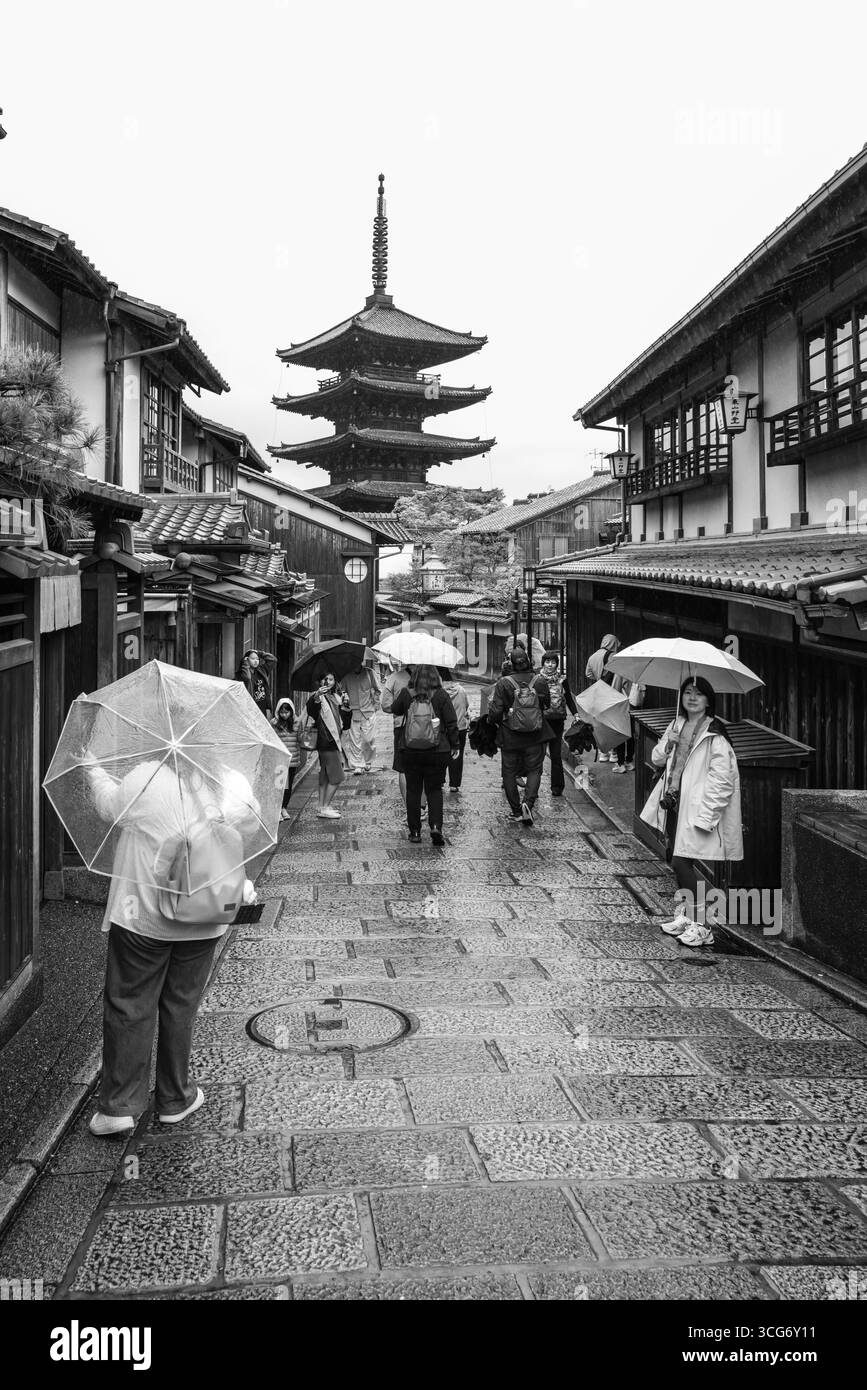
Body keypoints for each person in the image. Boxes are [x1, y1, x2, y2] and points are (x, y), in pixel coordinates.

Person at [84, 759, 260, 1136]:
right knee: (181, 1004)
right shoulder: (228, 778)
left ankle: (119, 1105)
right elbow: (248, 820)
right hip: (203, 914)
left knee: (130, 1002)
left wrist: (94, 770)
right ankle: (175, 1098)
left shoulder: (144, 778)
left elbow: (109, 807)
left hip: (142, 915)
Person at [640, 676, 743, 948]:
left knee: (681, 863)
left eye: (698, 694)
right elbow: (657, 759)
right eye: (687, 692)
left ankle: (703, 925)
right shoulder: (677, 723)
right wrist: (668, 743)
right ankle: (687, 915)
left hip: (696, 809)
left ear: (709, 700)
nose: (692, 698)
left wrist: (707, 817)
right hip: (675, 803)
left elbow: (722, 780)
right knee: (674, 857)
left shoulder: (715, 735)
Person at [390, 664, 459, 844]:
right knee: (434, 790)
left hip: (411, 750)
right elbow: (452, 722)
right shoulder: (441, 694)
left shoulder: (407, 693)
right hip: (438, 750)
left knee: (413, 791)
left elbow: (395, 709)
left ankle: (415, 832)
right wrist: (455, 745)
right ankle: (436, 827)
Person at [487, 645, 553, 826]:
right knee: (534, 770)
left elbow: (495, 711)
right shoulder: (539, 681)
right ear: (528, 662)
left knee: (509, 772)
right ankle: (528, 804)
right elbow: (546, 704)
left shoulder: (504, 683)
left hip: (510, 735)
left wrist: (494, 720)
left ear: (511, 664)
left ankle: (516, 811)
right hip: (535, 734)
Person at [306, 672, 350, 818]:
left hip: (334, 741)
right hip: (327, 741)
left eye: (331, 679)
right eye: (325, 679)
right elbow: (311, 710)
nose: (329, 682)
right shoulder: (317, 697)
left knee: (324, 777)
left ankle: (322, 806)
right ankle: (325, 807)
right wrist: (317, 695)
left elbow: (345, 724)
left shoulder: (336, 697)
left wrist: (346, 706)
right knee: (337, 777)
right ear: (320, 682)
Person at [539, 651, 577, 796]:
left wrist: (576, 714)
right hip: (542, 721)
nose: (550, 665)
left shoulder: (562, 679)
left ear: (557, 664)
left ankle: (557, 787)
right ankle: (533, 784)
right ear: (543, 663)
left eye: (553, 662)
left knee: (555, 754)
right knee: (538, 754)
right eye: (547, 662)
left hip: (557, 721)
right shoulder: (537, 679)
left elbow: (568, 697)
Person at [380, 662, 415, 804]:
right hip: (426, 728)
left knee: (403, 768)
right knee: (423, 768)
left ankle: (409, 807)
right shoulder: (430, 677)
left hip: (401, 726)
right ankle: (421, 807)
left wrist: (399, 708)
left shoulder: (393, 678)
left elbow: (386, 706)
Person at [341, 660, 381, 774]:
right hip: (353, 712)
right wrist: (344, 696)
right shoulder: (347, 676)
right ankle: (357, 765)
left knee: (369, 739)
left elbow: (378, 689)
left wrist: (376, 703)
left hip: (369, 711)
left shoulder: (370, 673)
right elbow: (341, 690)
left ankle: (368, 761)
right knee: (355, 740)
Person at [440, 667, 469, 792]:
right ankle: (454, 784)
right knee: (457, 754)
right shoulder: (461, 690)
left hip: (443, 728)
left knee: (440, 753)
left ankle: (440, 781)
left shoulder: (438, 692)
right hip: (459, 727)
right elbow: (466, 705)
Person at [271, 697, 300, 819]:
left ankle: (284, 808)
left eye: (287, 712)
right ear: (278, 711)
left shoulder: (297, 722)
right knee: (280, 786)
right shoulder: (274, 723)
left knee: (288, 787)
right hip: (280, 759)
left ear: (291, 711)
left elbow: (300, 739)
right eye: (282, 712)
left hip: (292, 759)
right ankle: (277, 810)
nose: (284, 715)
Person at [235, 650, 277, 721]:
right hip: (251, 707)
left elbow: (273, 660)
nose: (256, 661)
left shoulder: (262, 670)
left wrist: (259, 653)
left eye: (257, 659)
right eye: (253, 659)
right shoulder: (243, 673)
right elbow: (247, 678)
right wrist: (245, 664)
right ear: (247, 659)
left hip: (263, 706)